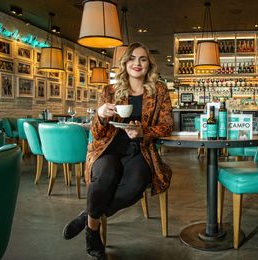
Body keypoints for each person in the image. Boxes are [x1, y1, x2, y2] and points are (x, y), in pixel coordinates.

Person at [62, 42, 174, 259]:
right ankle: (93, 233)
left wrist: (143, 132)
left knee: (136, 183)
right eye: (132, 58)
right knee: (104, 175)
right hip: (109, 148)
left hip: (140, 149)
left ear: (149, 63)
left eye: (142, 59)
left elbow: (167, 125)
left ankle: (87, 217)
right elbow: (97, 132)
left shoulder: (159, 90)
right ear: (125, 63)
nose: (137, 63)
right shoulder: (110, 90)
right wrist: (101, 115)